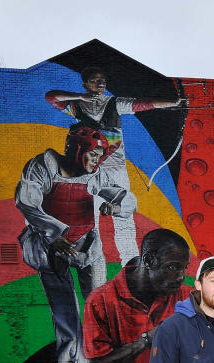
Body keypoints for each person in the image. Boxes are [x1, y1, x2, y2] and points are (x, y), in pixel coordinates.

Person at [15, 124, 136, 363]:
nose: (97, 160)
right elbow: (26, 202)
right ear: (77, 149)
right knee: (65, 310)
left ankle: (103, 359)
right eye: (94, 154)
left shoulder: (96, 175)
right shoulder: (42, 167)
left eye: (100, 155)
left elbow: (127, 199)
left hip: (87, 248)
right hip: (50, 250)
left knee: (97, 304)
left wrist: (114, 208)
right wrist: (54, 234)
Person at [46, 66, 182, 263]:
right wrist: (81, 97)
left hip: (115, 170)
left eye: (102, 81)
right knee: (90, 222)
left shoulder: (115, 103)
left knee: (124, 220)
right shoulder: (77, 106)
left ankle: (131, 265)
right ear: (85, 84)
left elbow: (142, 104)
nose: (100, 84)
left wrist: (171, 103)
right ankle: (94, 267)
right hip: (89, 172)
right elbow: (51, 97)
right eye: (94, 80)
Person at [82, 228, 190, 363]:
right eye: (173, 268)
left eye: (184, 268)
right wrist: (146, 340)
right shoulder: (100, 299)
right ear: (148, 261)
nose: (181, 276)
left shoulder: (188, 296)